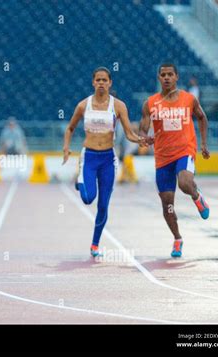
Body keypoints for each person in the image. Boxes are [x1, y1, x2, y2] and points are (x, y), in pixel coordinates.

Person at [63, 67, 146, 257]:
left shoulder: (118, 106)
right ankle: (80, 182)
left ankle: (95, 244)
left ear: (110, 83)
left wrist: (140, 140)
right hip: (90, 157)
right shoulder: (84, 105)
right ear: (93, 82)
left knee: (103, 205)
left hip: (108, 159)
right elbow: (70, 128)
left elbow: (129, 133)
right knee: (87, 198)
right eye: (98, 80)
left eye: (104, 80)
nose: (101, 83)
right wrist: (66, 148)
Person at [139, 63, 210, 258]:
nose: (167, 78)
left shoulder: (189, 99)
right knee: (167, 205)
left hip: (184, 151)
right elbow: (143, 129)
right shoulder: (150, 103)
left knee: (185, 183)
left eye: (170, 74)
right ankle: (177, 239)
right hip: (162, 158)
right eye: (163, 75)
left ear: (177, 77)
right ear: (159, 78)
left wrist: (203, 144)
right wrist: (145, 138)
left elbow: (202, 118)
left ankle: (197, 196)